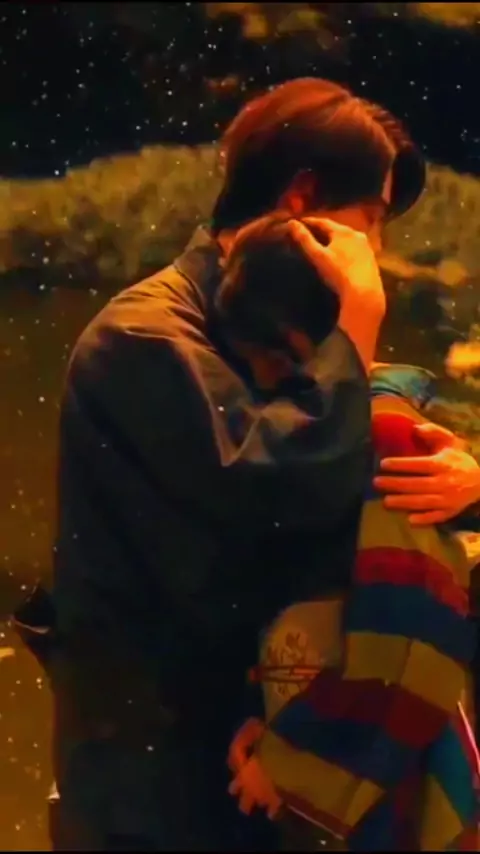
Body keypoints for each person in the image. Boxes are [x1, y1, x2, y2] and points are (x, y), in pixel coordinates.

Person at [45, 78, 480, 850]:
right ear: (301, 200)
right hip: (156, 773)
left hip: (259, 746)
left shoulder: (278, 329)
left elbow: (365, 493)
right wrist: (356, 331)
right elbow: (283, 495)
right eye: (370, 221)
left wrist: (464, 481)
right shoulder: (146, 338)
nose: (376, 255)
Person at [218, 214, 480, 850]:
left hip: (389, 775)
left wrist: (290, 760)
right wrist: (262, 717)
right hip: (337, 747)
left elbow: (412, 635)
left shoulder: (386, 435)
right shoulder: (324, 432)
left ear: (288, 342)